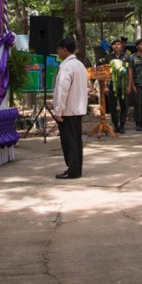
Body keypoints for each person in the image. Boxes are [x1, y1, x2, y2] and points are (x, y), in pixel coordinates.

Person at [52, 37, 88, 179]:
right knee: (76, 140)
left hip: (68, 109)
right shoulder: (80, 65)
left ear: (65, 50)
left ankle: (73, 169)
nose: (58, 52)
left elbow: (62, 91)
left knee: (69, 141)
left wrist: (58, 110)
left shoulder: (66, 67)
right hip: (78, 108)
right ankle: (76, 168)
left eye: (59, 49)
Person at [105, 38, 129, 133]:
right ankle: (115, 125)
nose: (116, 46)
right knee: (112, 107)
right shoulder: (108, 57)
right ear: (112, 46)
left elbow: (129, 72)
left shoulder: (126, 57)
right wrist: (105, 86)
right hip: (112, 85)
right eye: (114, 44)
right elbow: (106, 72)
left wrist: (129, 85)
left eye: (118, 44)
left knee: (124, 106)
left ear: (121, 46)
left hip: (123, 85)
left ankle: (122, 125)